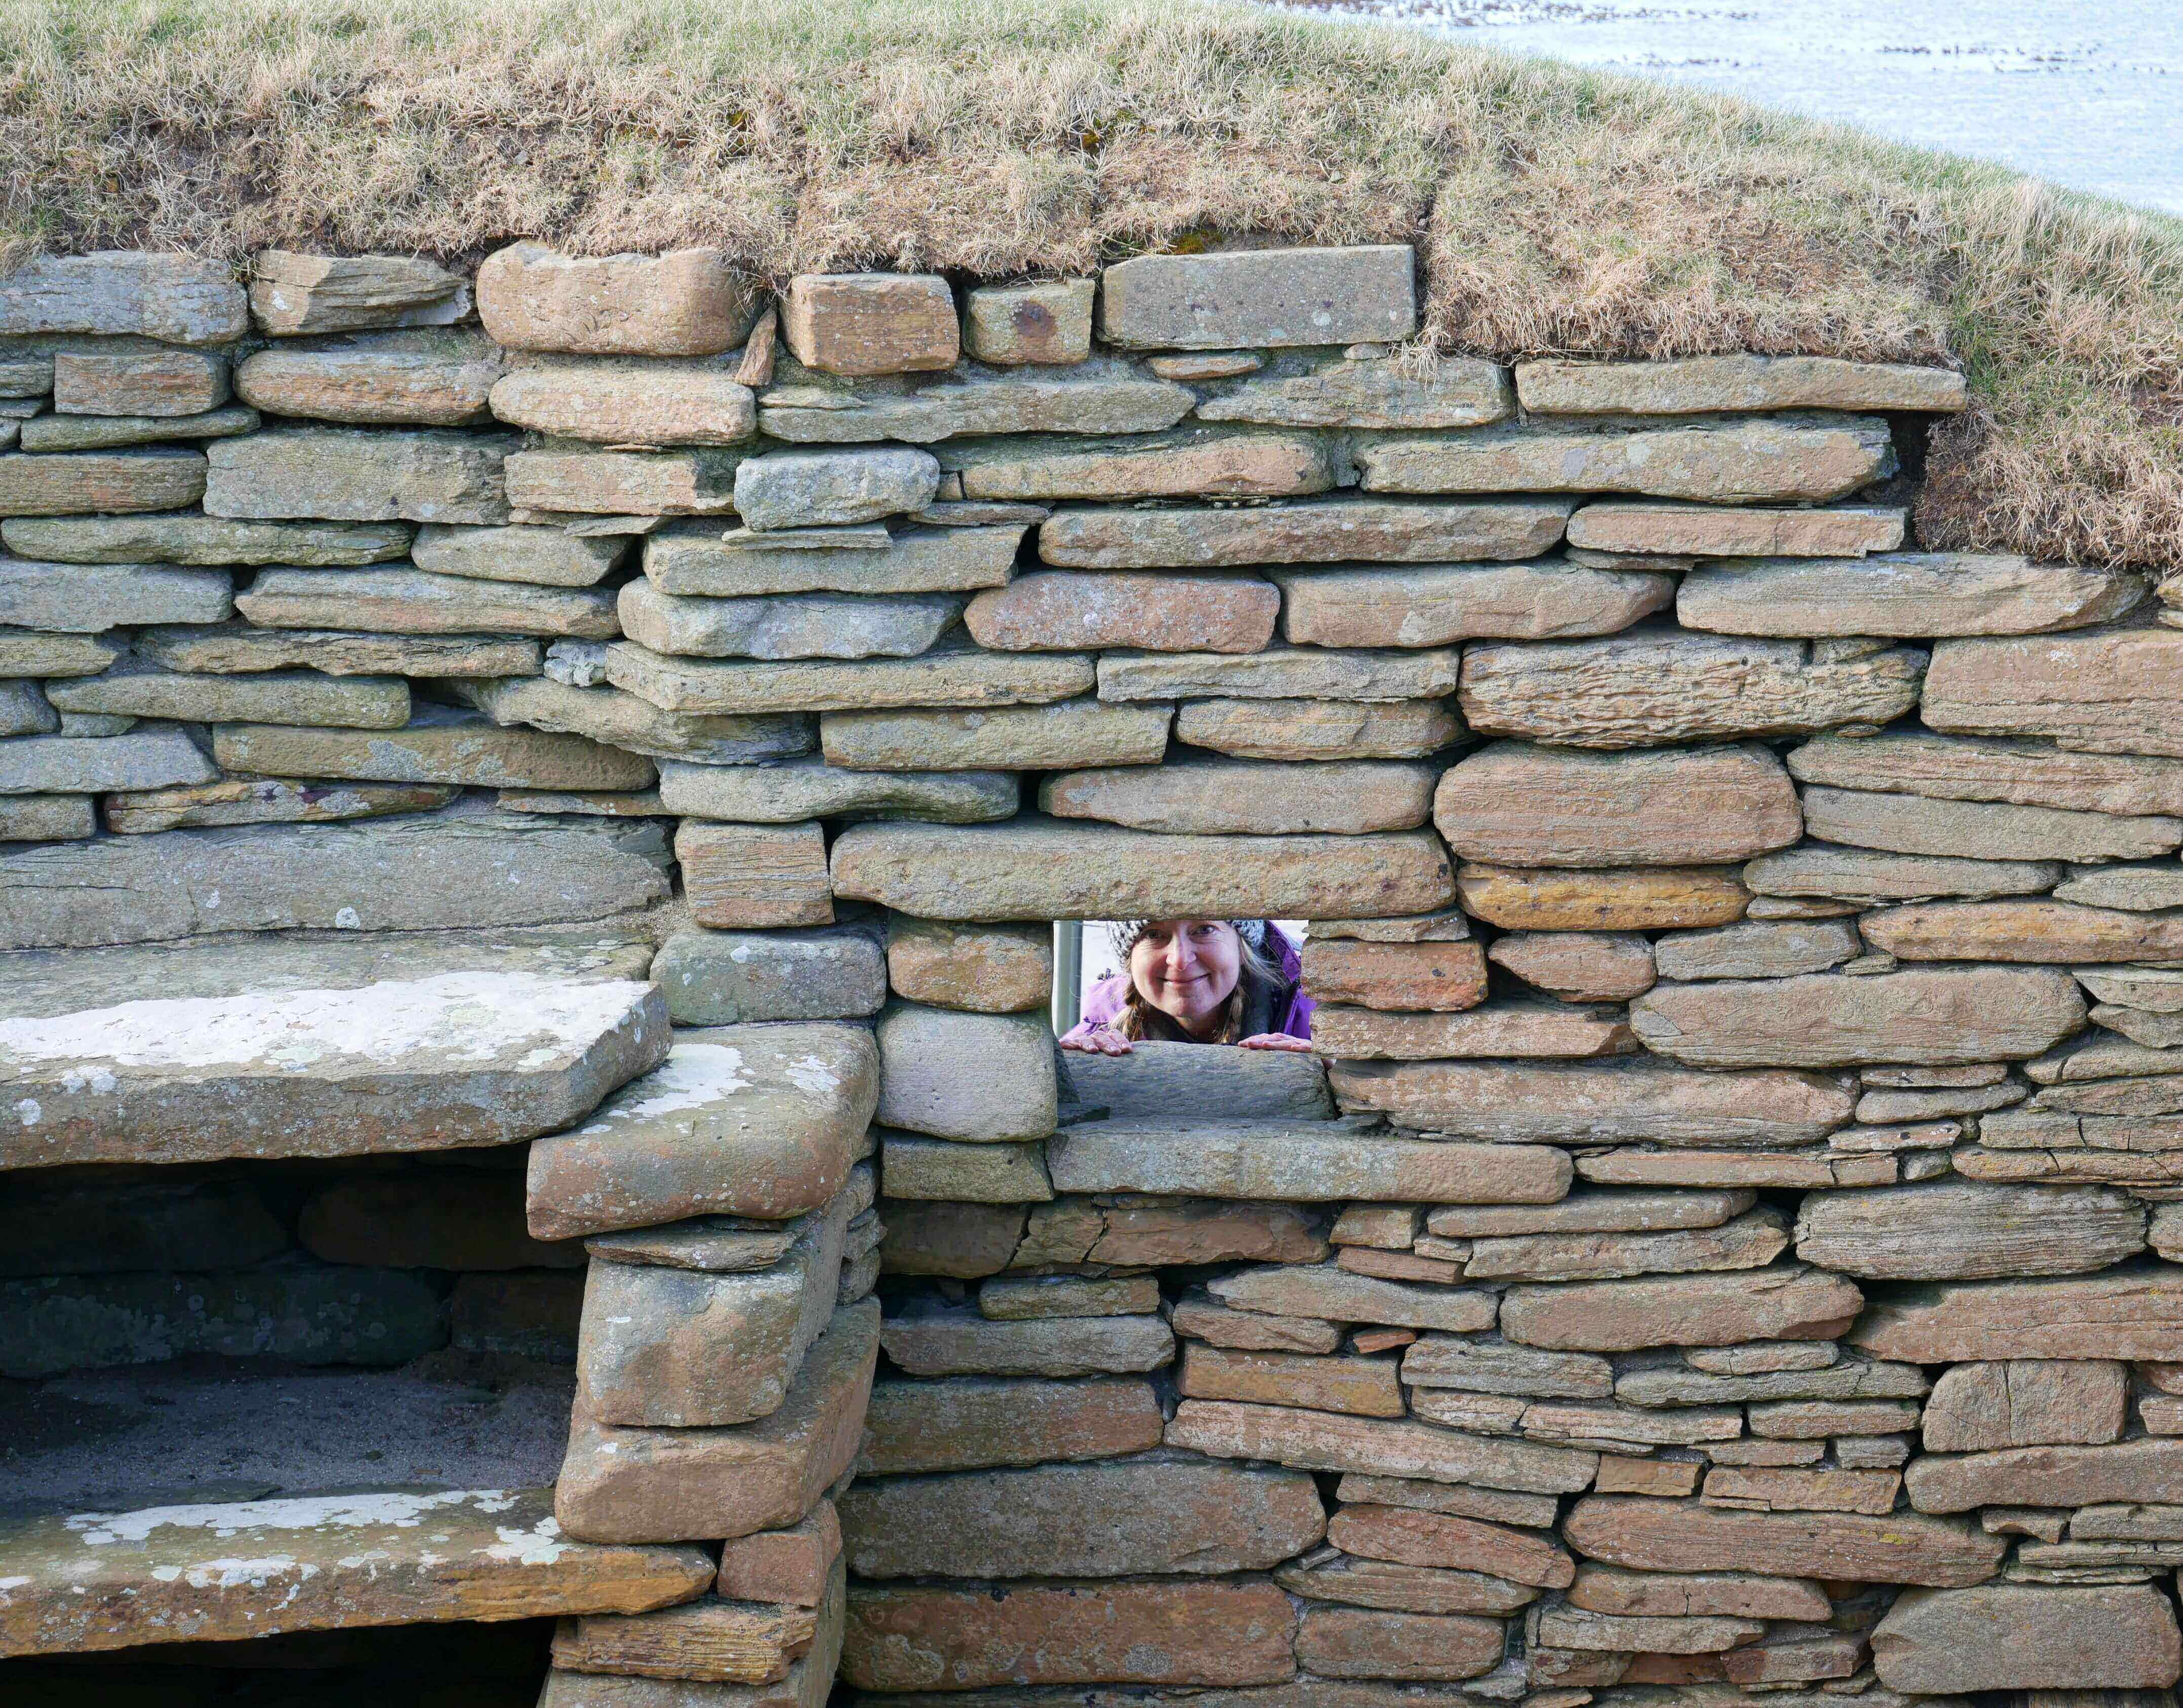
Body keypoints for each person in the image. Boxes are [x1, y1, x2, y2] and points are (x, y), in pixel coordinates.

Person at [1059, 919, 1314, 1055]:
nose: (1180, 960)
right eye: (1154, 934)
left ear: (1242, 946)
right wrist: (1076, 1064)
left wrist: (1332, 1072)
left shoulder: (1318, 1018)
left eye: (1204, 929)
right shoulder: (1100, 1028)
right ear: (1130, 959)